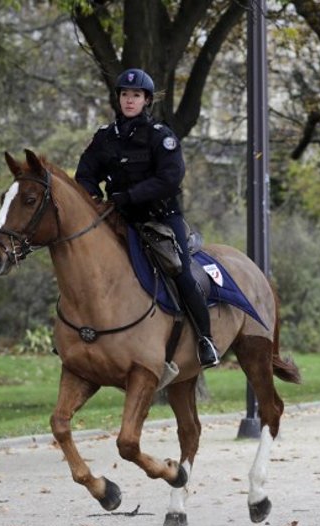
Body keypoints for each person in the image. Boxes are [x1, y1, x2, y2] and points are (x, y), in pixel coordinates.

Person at [75, 68, 220, 368]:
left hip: (161, 219)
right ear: (118, 99)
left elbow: (169, 179)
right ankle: (79, 333)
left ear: (146, 100)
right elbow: (86, 174)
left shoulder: (160, 137)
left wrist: (129, 195)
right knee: (87, 266)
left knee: (179, 270)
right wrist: (92, 198)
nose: (130, 101)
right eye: (125, 95)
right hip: (118, 218)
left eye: (136, 96)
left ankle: (205, 339)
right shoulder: (104, 137)